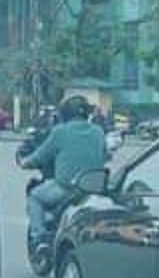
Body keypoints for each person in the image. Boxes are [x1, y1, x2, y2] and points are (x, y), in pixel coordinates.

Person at [18, 94, 107, 254]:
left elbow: (41, 156)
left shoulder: (60, 132)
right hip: (93, 190)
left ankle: (40, 238)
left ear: (65, 113)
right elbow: (105, 155)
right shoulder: (98, 132)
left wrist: (25, 163)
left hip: (66, 189)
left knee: (35, 197)